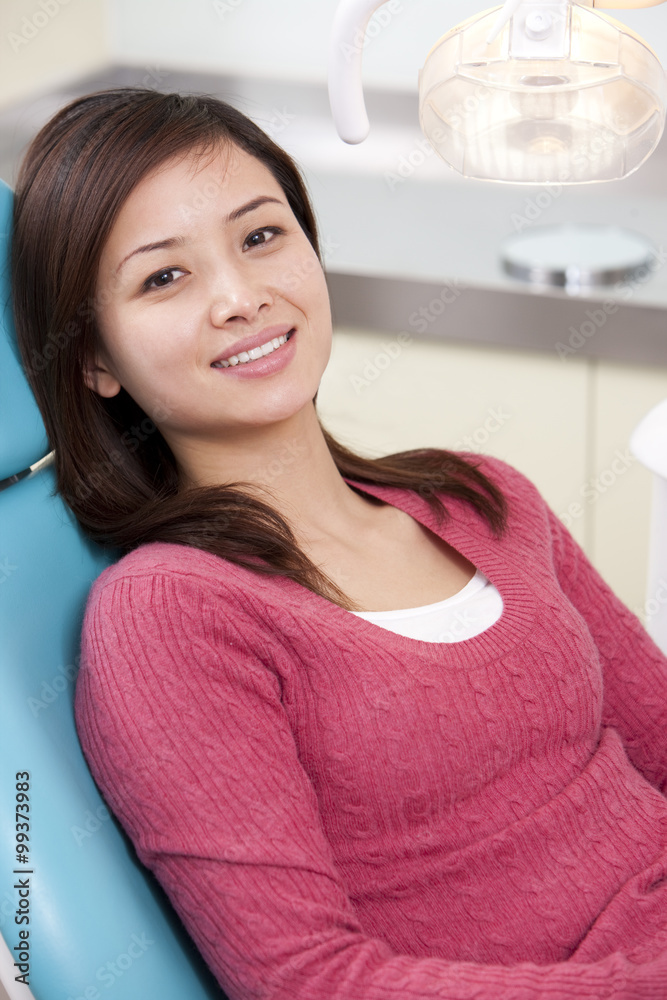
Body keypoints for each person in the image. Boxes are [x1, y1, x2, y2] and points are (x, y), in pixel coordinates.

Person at [11, 86, 667, 1000]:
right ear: (94, 360)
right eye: (164, 277)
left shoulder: (481, 497)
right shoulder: (174, 615)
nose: (242, 297)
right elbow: (307, 980)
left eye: (261, 236)